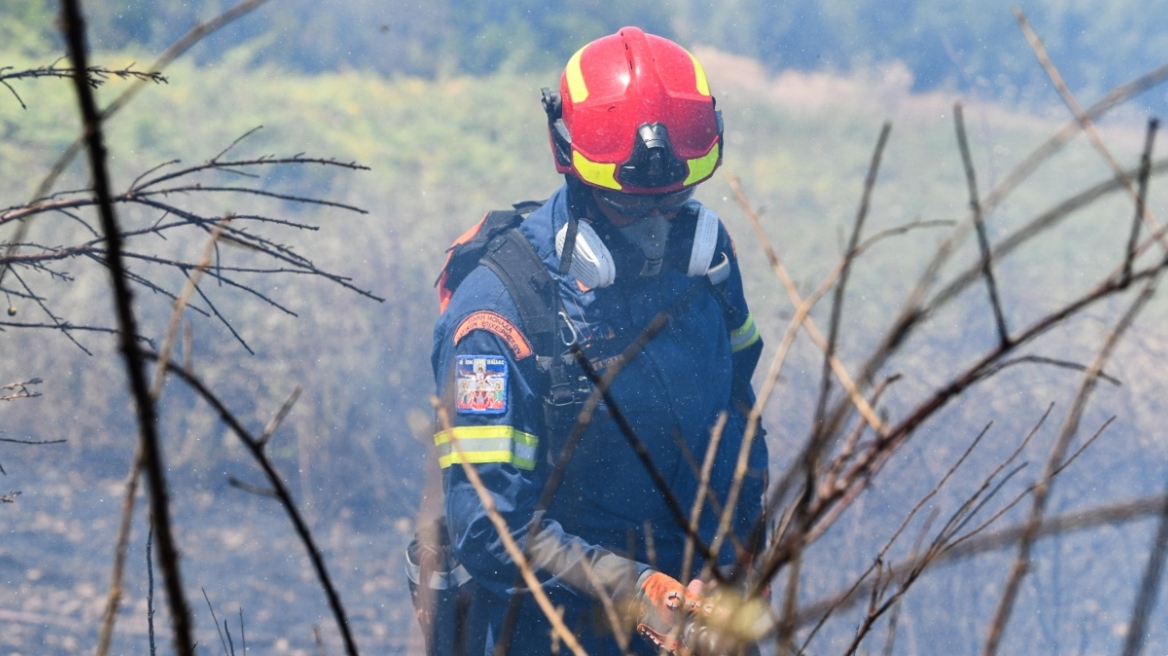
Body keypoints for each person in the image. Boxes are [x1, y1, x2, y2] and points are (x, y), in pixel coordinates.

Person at [428, 26, 768, 656]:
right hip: (548, 631)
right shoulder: (499, 317)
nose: (663, 230)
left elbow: (739, 421)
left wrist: (733, 568)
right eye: (633, 208)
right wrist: (637, 591)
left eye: (677, 199)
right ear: (579, 174)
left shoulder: (708, 265)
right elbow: (490, 528)